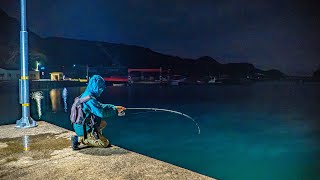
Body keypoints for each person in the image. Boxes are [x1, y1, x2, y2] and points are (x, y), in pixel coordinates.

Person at [71, 75, 126, 150]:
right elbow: (101, 113)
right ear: (95, 87)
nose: (101, 90)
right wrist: (115, 111)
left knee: (103, 123)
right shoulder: (90, 99)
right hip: (83, 129)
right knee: (105, 143)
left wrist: (114, 107)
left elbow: (100, 106)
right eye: (100, 88)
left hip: (79, 125)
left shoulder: (86, 95)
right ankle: (78, 139)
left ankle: (95, 136)